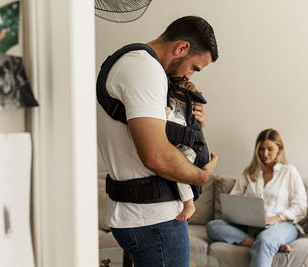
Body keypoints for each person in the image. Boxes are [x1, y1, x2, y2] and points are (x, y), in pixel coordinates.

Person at [97, 16, 219, 267]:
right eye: (194, 67)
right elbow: (156, 155)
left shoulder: (140, 67)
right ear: (182, 48)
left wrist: (194, 126)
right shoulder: (144, 69)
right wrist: (201, 176)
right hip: (153, 220)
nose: (190, 74)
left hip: (147, 217)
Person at [206, 128, 308, 267]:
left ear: (279, 149)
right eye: (261, 149)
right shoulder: (249, 172)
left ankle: (265, 242)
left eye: (270, 149)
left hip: (282, 225)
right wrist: (241, 216)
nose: (265, 154)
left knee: (266, 239)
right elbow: (234, 199)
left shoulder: (289, 171)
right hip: (251, 226)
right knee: (213, 226)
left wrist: (278, 217)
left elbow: (301, 207)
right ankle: (261, 242)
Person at [165, 80, 204, 221]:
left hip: (187, 150)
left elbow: (181, 124)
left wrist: (169, 115)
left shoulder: (185, 109)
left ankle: (189, 204)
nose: (175, 97)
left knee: (179, 172)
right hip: (175, 148)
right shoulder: (170, 101)